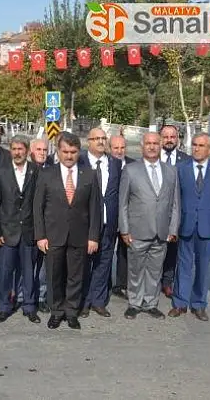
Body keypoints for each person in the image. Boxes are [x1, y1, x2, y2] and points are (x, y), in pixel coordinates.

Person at [35, 132, 101, 330]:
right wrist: (40, 236)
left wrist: (93, 237)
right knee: (54, 275)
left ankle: (72, 312)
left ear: (79, 152)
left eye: (73, 152)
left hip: (79, 236)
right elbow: (38, 207)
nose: (69, 156)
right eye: (65, 152)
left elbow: (95, 208)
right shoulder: (47, 174)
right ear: (58, 151)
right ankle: (56, 312)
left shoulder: (89, 174)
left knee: (75, 276)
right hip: (53, 235)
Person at [119, 132, 180, 320]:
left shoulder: (171, 171)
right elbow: (123, 203)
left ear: (160, 145)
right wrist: (124, 229)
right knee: (135, 270)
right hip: (137, 231)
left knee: (155, 270)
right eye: (148, 143)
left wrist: (173, 229)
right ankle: (134, 303)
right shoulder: (130, 170)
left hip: (161, 232)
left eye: (155, 143)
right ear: (142, 146)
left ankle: (151, 303)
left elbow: (175, 203)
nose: (152, 147)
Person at [169, 133, 210, 322]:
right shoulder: (180, 169)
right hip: (186, 225)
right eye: (194, 145)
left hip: (207, 228)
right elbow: (174, 200)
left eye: (201, 145)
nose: (196, 148)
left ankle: (199, 304)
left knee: (203, 268)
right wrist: (173, 227)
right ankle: (180, 303)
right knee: (183, 266)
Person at [0, 135, 40, 323]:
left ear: (27, 151)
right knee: (6, 272)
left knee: (28, 273)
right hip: (7, 231)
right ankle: (5, 307)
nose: (17, 153)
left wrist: (39, 232)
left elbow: (39, 203)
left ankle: (29, 306)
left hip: (29, 231)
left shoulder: (36, 171)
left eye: (21, 149)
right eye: (14, 149)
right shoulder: (1, 172)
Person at [79, 128, 122, 318]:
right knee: (83, 263)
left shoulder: (115, 163)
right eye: (96, 138)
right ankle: (83, 300)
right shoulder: (79, 161)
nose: (100, 141)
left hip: (108, 222)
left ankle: (98, 300)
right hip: (85, 223)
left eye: (103, 138)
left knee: (104, 262)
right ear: (88, 141)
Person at [159, 125, 191, 297]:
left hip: (177, 212)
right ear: (160, 138)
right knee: (154, 248)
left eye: (173, 137)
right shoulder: (152, 157)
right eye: (166, 137)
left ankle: (167, 282)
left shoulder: (186, 160)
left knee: (173, 250)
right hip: (155, 212)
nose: (169, 140)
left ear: (178, 138)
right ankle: (152, 281)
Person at [109, 135, 136, 299]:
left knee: (125, 252)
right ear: (109, 149)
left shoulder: (134, 165)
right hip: (109, 216)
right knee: (105, 252)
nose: (119, 151)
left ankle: (121, 284)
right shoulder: (105, 164)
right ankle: (105, 283)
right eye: (115, 148)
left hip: (128, 216)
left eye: (122, 148)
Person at [29, 138, 52, 312]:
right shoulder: (26, 170)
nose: (42, 153)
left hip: (48, 227)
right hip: (28, 226)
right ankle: (25, 296)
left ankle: (41, 296)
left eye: (45, 150)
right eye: (39, 149)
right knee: (27, 265)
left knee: (44, 267)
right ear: (31, 151)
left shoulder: (52, 171)